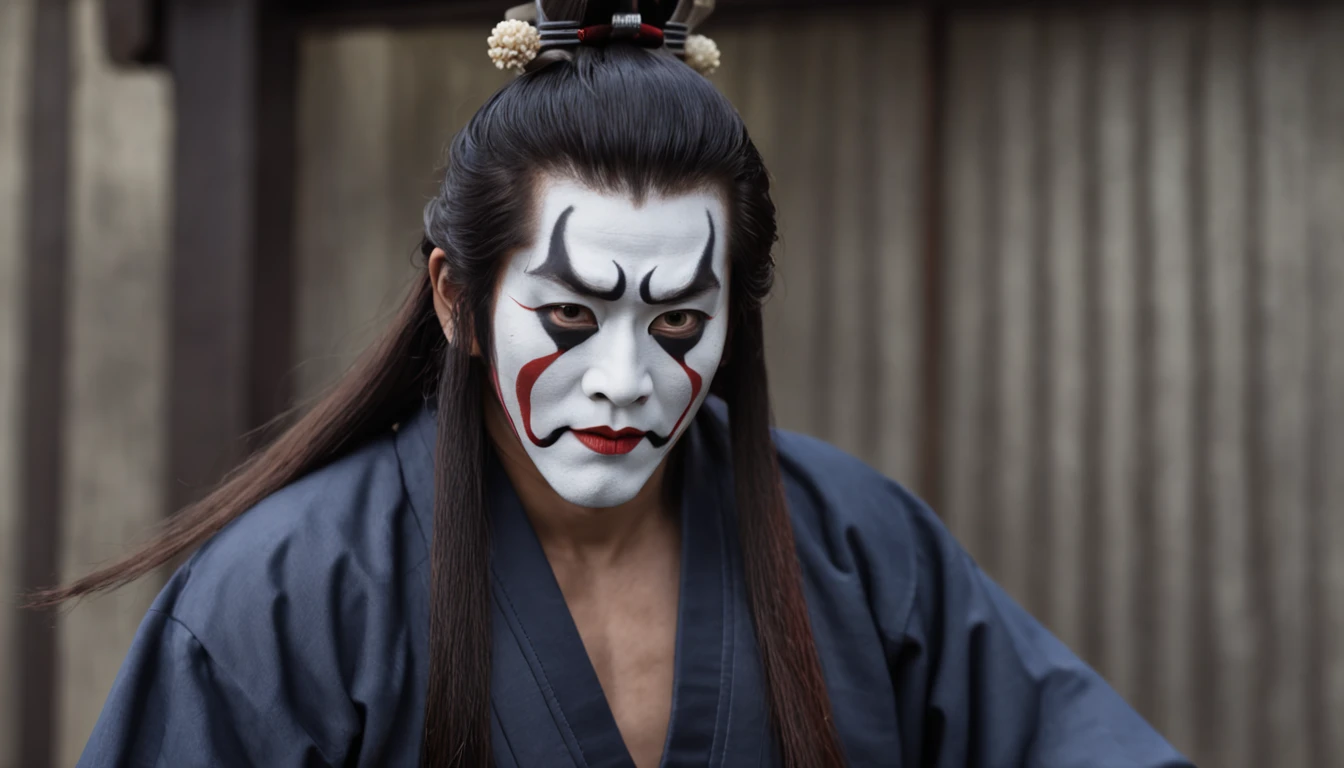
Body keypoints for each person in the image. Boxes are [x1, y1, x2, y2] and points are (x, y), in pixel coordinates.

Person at [48, 1, 1193, 766]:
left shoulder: (858, 548)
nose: (627, 379)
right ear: (455, 298)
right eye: (567, 315)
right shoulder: (282, 603)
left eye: (681, 320)